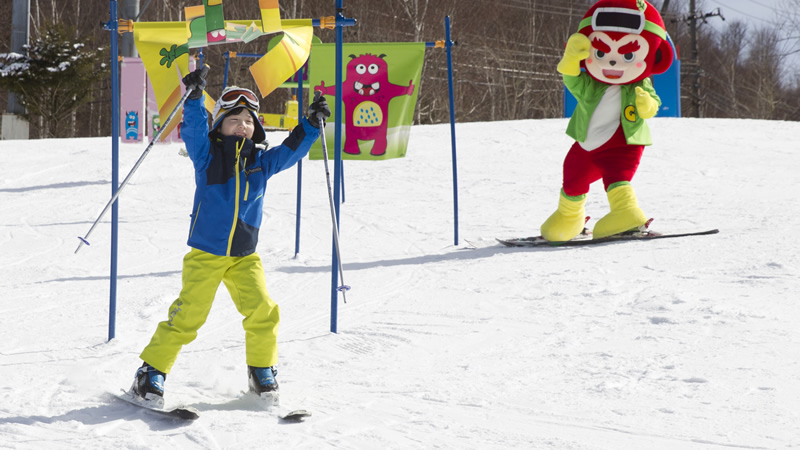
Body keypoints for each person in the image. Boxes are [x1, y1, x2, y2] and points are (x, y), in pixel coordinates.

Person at [130, 66, 331, 407]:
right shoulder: (207, 158)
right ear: (220, 126)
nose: (242, 126)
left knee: (263, 311)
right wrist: (193, 99)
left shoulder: (261, 163)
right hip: (206, 254)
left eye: (248, 121)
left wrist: (311, 125)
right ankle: (150, 373)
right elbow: (193, 132)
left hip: (244, 257)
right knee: (188, 316)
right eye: (234, 120)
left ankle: (261, 372)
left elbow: (292, 151)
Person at [540, 0, 674, 241]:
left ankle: (626, 213)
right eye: (601, 52)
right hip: (587, 143)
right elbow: (572, 81)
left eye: (628, 54)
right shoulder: (591, 84)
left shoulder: (639, 84)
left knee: (617, 176)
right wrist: (570, 60)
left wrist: (646, 105)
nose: (612, 61)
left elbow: (652, 102)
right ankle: (569, 217)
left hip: (622, 143)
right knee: (573, 174)